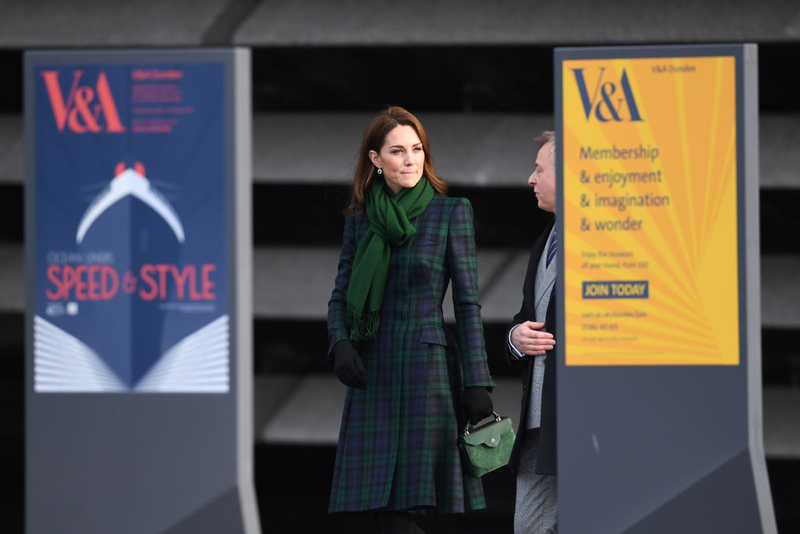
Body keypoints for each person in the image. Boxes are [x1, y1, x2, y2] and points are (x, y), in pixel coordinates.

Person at [327, 106, 496, 533]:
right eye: (398, 151)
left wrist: (477, 380)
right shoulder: (360, 220)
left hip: (426, 369)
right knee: (382, 509)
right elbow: (341, 295)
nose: (410, 160)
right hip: (373, 369)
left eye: (417, 149)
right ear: (375, 160)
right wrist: (340, 343)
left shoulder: (451, 212)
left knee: (403, 508)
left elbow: (468, 304)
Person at [506, 130, 559, 533]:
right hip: (537, 425)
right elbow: (525, 315)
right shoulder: (544, 242)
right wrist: (516, 337)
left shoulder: (609, 243)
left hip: (582, 421)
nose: (530, 178)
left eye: (539, 169)